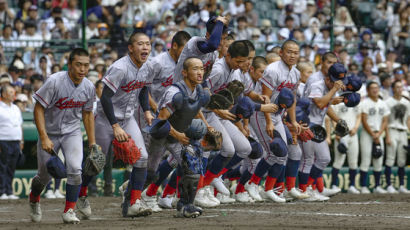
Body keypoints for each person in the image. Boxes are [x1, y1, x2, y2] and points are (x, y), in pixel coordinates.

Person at [85, 32, 153, 218]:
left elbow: (143, 88)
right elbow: (105, 97)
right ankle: (81, 194)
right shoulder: (120, 68)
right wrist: (115, 126)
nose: (145, 47)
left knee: (142, 158)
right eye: (140, 44)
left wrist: (146, 110)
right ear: (131, 48)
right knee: (95, 162)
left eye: (148, 43)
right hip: (106, 120)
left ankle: (133, 203)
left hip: (128, 118)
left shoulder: (148, 66)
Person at [28, 48, 96, 223]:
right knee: (44, 176)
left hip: (72, 131)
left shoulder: (88, 86)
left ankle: (69, 211)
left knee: (75, 169)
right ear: (69, 65)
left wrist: (93, 143)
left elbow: (88, 114)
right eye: (78, 65)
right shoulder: (54, 81)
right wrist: (43, 137)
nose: (82, 69)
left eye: (86, 65)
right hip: (50, 132)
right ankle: (34, 199)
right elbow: (38, 108)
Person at [146, 57, 211, 218]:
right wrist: (177, 135)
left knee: (192, 165)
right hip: (160, 135)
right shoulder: (174, 93)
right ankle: (130, 197)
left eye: (201, 68)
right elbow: (161, 119)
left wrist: (207, 127)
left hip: (178, 136)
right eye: (195, 69)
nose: (199, 72)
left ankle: (185, 205)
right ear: (184, 72)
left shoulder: (198, 91)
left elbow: (193, 109)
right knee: (150, 172)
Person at [245, 40, 302, 202]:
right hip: (262, 113)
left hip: (278, 115)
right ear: (281, 53)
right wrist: (269, 121)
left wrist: (293, 121)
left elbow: (292, 100)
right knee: (273, 152)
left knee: (282, 155)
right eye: (289, 52)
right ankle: (252, 184)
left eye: (295, 52)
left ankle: (268, 189)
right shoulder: (272, 70)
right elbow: (266, 97)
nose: (292, 55)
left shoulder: (296, 73)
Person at [298, 58, 347, 200]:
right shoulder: (317, 84)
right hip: (307, 124)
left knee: (324, 158)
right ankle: (304, 191)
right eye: (334, 80)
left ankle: (309, 188)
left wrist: (338, 120)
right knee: (307, 160)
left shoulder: (328, 87)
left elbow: (326, 105)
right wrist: (333, 91)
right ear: (328, 78)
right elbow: (319, 103)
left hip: (317, 126)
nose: (336, 83)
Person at [359, 81, 389, 194]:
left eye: (376, 88)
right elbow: (364, 119)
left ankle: (377, 186)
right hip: (367, 134)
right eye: (372, 88)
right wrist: (373, 134)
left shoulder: (383, 103)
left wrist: (379, 134)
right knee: (366, 159)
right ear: (368, 90)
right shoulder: (365, 103)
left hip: (379, 134)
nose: (375, 90)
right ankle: (363, 186)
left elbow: (385, 120)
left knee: (379, 159)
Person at [330, 100, 361, 194]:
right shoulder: (339, 101)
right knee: (338, 161)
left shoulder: (356, 101)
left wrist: (356, 128)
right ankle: (334, 185)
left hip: (353, 134)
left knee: (353, 161)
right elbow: (333, 117)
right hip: (342, 134)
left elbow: (359, 116)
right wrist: (337, 132)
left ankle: (352, 186)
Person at [384, 80, 410, 194]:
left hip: (403, 131)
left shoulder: (407, 102)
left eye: (401, 87)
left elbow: (408, 119)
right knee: (390, 158)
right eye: (397, 87)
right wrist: (387, 136)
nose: (400, 89)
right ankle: (389, 185)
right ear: (393, 89)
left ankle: (401, 186)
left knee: (402, 160)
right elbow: (385, 120)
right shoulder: (388, 102)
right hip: (392, 130)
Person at [0, 84, 22, 200]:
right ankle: (2, 191)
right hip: (3, 140)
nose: (13, 94)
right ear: (3, 94)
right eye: (10, 92)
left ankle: (9, 191)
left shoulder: (15, 108)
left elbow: (20, 125)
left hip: (15, 141)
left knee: (11, 167)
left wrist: (21, 141)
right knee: (2, 167)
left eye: (13, 92)